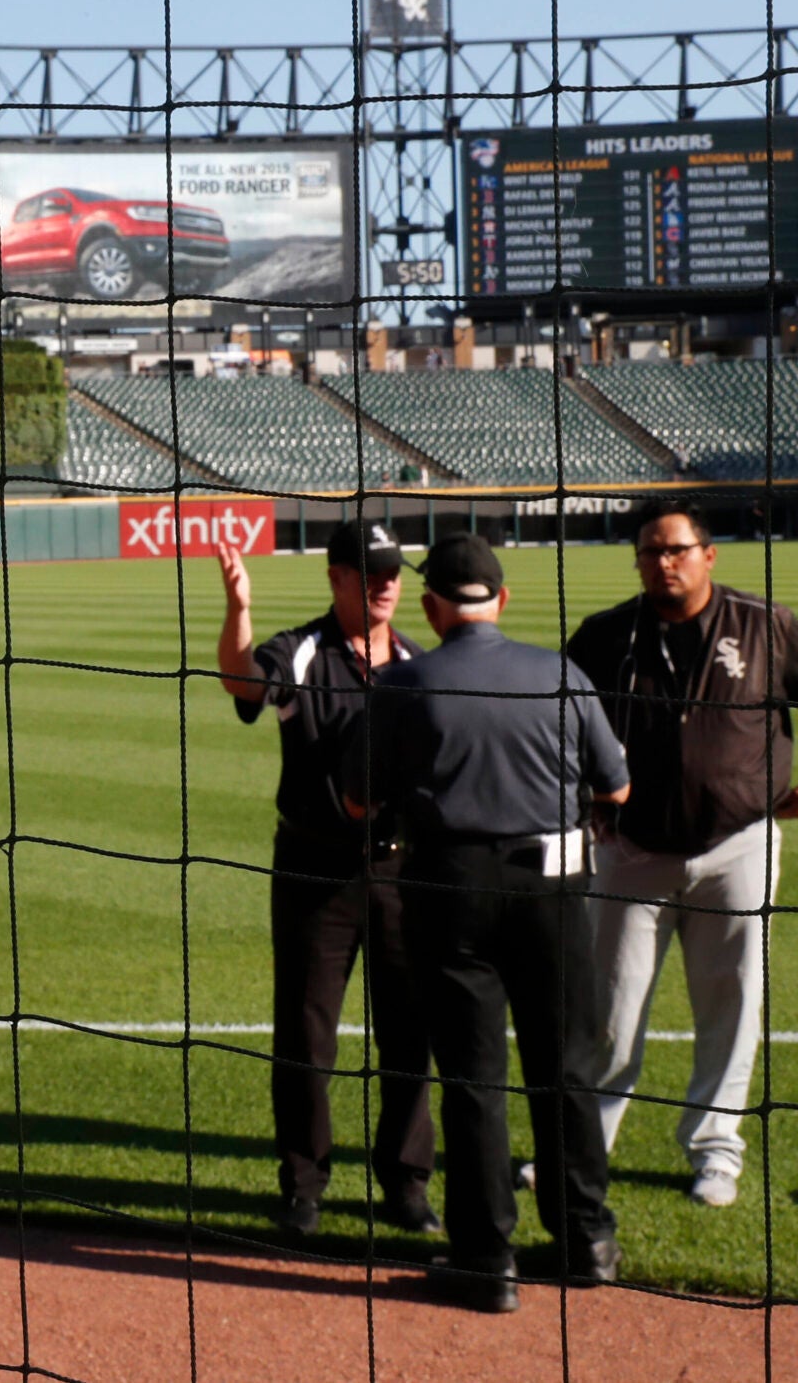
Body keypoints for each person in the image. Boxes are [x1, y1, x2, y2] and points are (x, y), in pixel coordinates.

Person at [346, 534, 629, 1312]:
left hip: (453, 887)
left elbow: (355, 800)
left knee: (473, 1077)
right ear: (502, 600)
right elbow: (620, 786)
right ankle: (586, 1240)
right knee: (568, 1066)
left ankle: (485, 1258)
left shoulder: (406, 682)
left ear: (433, 608)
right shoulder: (562, 672)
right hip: (559, 885)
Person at [565, 501, 798, 1210]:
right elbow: (559, 716)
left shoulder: (765, 624)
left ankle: (714, 1151)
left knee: (731, 1001)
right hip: (630, 848)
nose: (663, 562)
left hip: (738, 844)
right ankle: (581, 1151)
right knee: (609, 1009)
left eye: (676, 549)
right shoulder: (607, 634)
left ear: (708, 553)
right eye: (649, 552)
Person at [215, 520, 436, 1239]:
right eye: (369, 570)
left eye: (393, 570)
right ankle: (303, 1185)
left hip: (403, 870)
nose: (385, 583)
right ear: (336, 576)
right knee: (306, 1037)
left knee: (408, 1032)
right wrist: (238, 609)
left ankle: (405, 1183)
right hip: (315, 869)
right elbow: (245, 684)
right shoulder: (301, 651)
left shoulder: (415, 659)